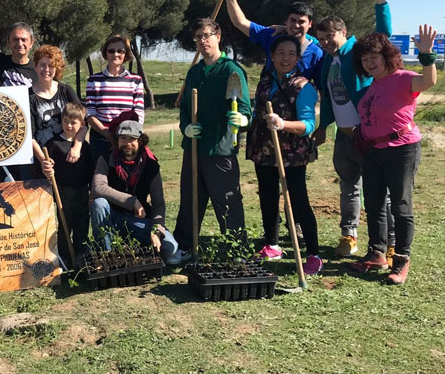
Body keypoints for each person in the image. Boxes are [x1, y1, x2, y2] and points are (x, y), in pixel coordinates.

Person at [312, 0, 395, 257]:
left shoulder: (358, 52)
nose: (325, 42)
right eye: (321, 39)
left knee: (378, 192)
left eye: (330, 37)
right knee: (349, 189)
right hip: (343, 137)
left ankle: (389, 241)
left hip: (368, 135)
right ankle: (349, 236)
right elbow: (328, 96)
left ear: (343, 33)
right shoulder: (327, 60)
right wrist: (323, 126)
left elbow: (383, 36)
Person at [349, 25, 438, 285]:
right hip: (372, 151)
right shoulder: (372, 85)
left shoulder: (403, 77)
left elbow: (429, 81)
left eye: (373, 57)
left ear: (386, 56)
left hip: (402, 150)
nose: (368, 63)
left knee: (401, 205)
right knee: (374, 204)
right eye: (364, 59)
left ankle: (400, 260)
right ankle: (376, 253)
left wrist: (427, 55)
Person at [174, 18, 251, 262]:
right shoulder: (194, 72)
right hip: (195, 147)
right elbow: (185, 108)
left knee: (227, 200)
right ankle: (186, 246)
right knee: (190, 199)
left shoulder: (231, 70)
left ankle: (236, 249)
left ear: (218, 37)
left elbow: (246, 109)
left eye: (206, 35)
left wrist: (242, 120)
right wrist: (186, 127)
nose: (202, 41)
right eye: (198, 37)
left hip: (221, 147)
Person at [247, 35, 322, 275]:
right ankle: (272, 244)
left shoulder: (303, 87)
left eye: (291, 53)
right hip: (264, 150)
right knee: (268, 197)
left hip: (292, 153)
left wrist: (283, 124)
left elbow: (309, 125)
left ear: (298, 58)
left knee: (299, 202)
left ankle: (313, 253)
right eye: (281, 53)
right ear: (272, 56)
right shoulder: (265, 81)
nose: (285, 58)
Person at [90, 120, 184, 264]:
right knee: (99, 203)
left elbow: (158, 203)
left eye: (132, 139)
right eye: (123, 138)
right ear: (117, 140)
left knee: (170, 247)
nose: (127, 143)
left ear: (140, 141)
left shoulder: (151, 166)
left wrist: (157, 231)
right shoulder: (106, 158)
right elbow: (98, 187)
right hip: (112, 216)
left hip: (138, 220)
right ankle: (106, 254)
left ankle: (135, 246)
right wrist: (131, 201)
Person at [221, 0, 323, 82]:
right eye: (292, 20)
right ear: (286, 21)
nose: (296, 25)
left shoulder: (317, 51)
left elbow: (322, 88)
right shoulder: (273, 36)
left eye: (301, 22)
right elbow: (240, 22)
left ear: (310, 24)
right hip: (266, 97)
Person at [41, 102, 94, 269]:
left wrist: (91, 190)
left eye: (73, 122)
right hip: (63, 192)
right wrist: (48, 171)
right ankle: (64, 256)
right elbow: (48, 169)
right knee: (65, 224)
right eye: (65, 121)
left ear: (82, 124)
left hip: (82, 190)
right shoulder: (54, 144)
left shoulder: (84, 147)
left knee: (82, 222)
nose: (69, 126)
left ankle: (80, 254)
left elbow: (91, 170)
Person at [85, 34, 145, 160]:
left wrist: (127, 135)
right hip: (101, 138)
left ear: (126, 54)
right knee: (100, 176)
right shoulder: (94, 80)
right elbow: (90, 114)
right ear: (106, 53)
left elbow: (138, 111)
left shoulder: (136, 80)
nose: (115, 54)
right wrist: (107, 134)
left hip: (127, 139)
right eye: (111, 50)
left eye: (120, 51)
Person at [28, 45, 84, 165]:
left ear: (57, 68)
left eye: (51, 65)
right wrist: (44, 161)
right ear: (36, 67)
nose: (46, 69)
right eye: (42, 65)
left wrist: (77, 147)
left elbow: (84, 123)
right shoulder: (28, 97)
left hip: (69, 155)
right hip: (43, 159)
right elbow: (29, 136)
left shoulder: (66, 90)